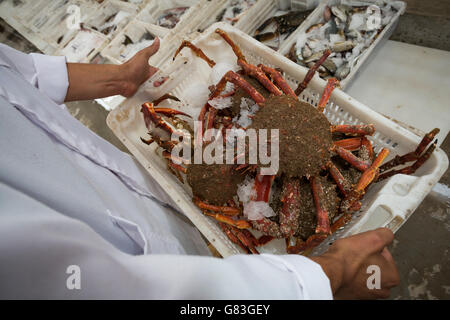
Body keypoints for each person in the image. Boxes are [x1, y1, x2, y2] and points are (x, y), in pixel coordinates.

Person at [0, 39, 400, 299]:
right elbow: (131, 290)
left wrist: (118, 77)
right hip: (173, 261)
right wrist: (328, 275)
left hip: (142, 188)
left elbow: (16, 72)